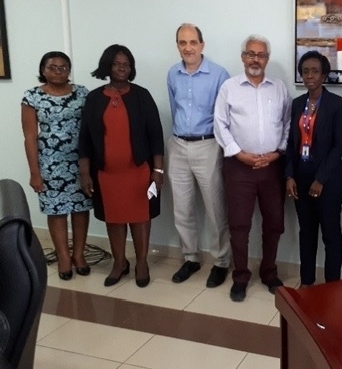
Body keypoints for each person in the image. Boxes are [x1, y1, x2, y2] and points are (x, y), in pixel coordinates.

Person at [78, 44, 164, 288]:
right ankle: (119, 263)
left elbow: (155, 135)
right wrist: (85, 172)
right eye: (116, 63)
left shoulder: (141, 95)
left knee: (140, 218)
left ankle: (142, 263)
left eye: (126, 64)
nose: (122, 68)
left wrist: (158, 171)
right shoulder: (94, 98)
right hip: (106, 175)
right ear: (107, 66)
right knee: (113, 220)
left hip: (138, 172)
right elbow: (84, 137)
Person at [214, 34, 291, 302]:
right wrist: (239, 154)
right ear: (242, 57)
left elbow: (288, 123)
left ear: (267, 59)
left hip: (272, 167)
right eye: (250, 54)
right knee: (239, 225)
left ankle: (269, 273)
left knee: (274, 224)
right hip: (239, 167)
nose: (255, 59)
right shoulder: (229, 87)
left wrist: (276, 153)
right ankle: (241, 277)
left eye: (260, 55)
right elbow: (220, 125)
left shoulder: (279, 87)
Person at [167, 23, 231, 287]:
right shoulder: (173, 73)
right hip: (178, 145)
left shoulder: (219, 74)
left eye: (193, 42)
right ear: (178, 46)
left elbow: (225, 117)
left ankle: (221, 262)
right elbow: (174, 109)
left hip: (208, 145)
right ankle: (190, 257)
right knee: (182, 208)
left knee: (216, 208)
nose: (188, 48)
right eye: (182, 43)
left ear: (202, 45)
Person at [21, 51, 92, 280]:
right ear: (43, 70)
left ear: (69, 70)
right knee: (56, 211)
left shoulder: (82, 94)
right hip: (50, 164)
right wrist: (35, 173)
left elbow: (92, 130)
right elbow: (30, 137)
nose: (58, 71)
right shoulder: (32, 96)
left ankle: (79, 254)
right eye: (53, 67)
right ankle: (63, 257)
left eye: (63, 67)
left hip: (80, 162)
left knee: (81, 209)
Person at [285, 51, 342, 288]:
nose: (309, 75)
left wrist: (320, 179)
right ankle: (307, 282)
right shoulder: (297, 104)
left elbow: (341, 145)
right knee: (306, 232)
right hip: (301, 178)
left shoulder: (337, 104)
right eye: (305, 71)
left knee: (330, 234)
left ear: (324, 75)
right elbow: (291, 143)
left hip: (329, 181)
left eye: (315, 71)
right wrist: (289, 175)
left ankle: (333, 285)